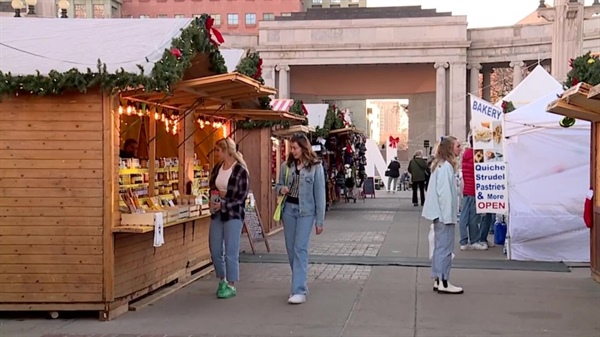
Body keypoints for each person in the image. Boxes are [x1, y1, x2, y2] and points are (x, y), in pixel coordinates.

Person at [275, 134, 326, 304]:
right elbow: (277, 185)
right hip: (289, 209)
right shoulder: (286, 166)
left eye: (295, 148)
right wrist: (281, 189)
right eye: (291, 148)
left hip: (306, 211)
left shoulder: (315, 167)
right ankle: (300, 281)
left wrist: (320, 221)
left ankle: (299, 290)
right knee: (291, 249)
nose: (293, 151)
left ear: (304, 148)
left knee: (300, 249)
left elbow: (320, 195)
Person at [208, 137, 249, 299]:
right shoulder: (217, 168)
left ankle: (231, 283)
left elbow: (241, 197)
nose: (216, 154)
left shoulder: (240, 171)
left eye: (218, 150)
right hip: (217, 212)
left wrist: (224, 202)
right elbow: (212, 186)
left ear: (225, 151)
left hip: (233, 213)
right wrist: (215, 197)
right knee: (215, 248)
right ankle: (222, 279)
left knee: (231, 250)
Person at [422, 136, 464, 294]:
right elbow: (445, 194)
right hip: (444, 214)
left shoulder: (438, 165)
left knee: (439, 248)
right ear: (450, 148)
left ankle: (439, 279)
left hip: (438, 213)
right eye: (457, 146)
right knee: (445, 248)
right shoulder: (446, 167)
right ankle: (444, 281)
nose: (460, 148)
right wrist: (449, 216)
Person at [459, 136, 488, 251]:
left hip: (467, 189)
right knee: (473, 218)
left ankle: (464, 240)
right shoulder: (477, 155)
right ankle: (474, 240)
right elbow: (481, 172)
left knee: (464, 216)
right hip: (475, 190)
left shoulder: (466, 155)